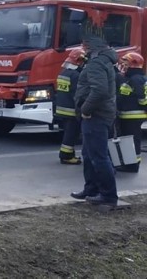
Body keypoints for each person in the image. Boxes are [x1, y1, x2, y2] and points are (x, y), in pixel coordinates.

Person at [70, 34, 118, 207]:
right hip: (99, 114)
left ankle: (108, 195)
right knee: (89, 155)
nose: (82, 47)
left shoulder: (96, 63)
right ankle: (91, 189)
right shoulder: (102, 60)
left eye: (84, 44)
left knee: (98, 156)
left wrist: (85, 110)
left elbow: (99, 91)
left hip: (95, 115)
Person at [114, 52, 147, 173]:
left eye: (126, 62)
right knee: (129, 140)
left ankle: (133, 165)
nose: (124, 65)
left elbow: (142, 98)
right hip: (128, 115)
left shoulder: (136, 79)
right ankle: (130, 163)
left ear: (133, 64)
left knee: (133, 141)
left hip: (133, 116)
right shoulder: (131, 78)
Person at [55, 48, 86, 165]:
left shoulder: (63, 73)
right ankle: (66, 156)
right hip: (71, 110)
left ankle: (68, 154)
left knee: (68, 133)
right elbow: (77, 95)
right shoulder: (76, 75)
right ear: (79, 61)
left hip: (62, 108)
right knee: (72, 134)